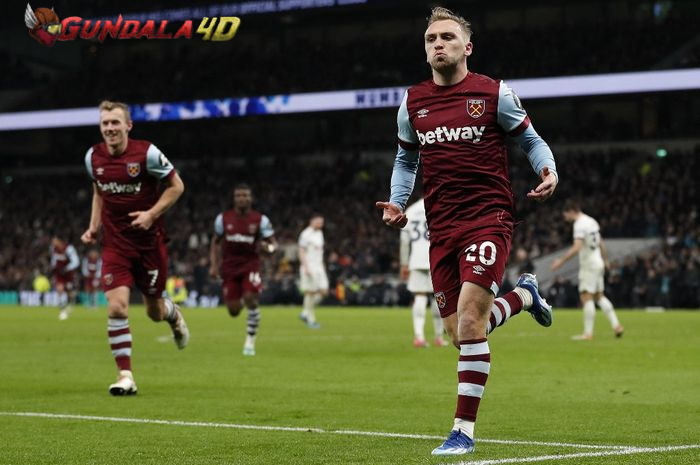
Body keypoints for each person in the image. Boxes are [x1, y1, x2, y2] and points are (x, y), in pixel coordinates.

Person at [375, 7, 558, 456]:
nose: (438, 44)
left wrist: (547, 168)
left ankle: (463, 431)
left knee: (473, 322)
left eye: (447, 38)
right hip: (442, 227)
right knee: (460, 335)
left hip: (488, 217)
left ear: (467, 47)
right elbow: (405, 160)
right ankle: (524, 297)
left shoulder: (493, 93)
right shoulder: (412, 102)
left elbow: (529, 139)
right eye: (431, 39)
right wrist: (399, 201)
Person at [81, 100, 189, 396]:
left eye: (116, 122)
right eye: (105, 123)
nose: (110, 128)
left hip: (149, 244)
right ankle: (125, 375)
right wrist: (93, 227)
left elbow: (177, 186)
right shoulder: (93, 157)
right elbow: (98, 191)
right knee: (116, 306)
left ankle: (173, 314)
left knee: (153, 312)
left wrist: (151, 214)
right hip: (115, 244)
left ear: (128, 125)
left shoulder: (147, 153)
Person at [210, 184, 277, 356]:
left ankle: (250, 340)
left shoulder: (260, 220)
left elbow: (273, 245)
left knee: (250, 299)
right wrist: (213, 265)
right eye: (238, 195)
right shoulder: (223, 219)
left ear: (250, 198)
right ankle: (242, 299)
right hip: (229, 267)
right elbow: (215, 242)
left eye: (245, 195)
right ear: (234, 198)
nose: (242, 198)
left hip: (250, 265)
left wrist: (266, 248)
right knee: (233, 311)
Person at [551, 200, 624, 340]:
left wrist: (561, 261)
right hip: (598, 261)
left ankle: (588, 333)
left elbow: (577, 247)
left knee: (586, 296)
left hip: (589, 264)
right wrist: (606, 260)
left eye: (565, 214)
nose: (565, 217)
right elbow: (601, 242)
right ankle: (616, 325)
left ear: (571, 211)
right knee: (599, 296)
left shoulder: (579, 225)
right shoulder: (591, 221)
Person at [400, 198, 447, 347]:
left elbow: (404, 241)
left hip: (417, 259)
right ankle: (439, 337)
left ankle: (419, 337)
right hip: (437, 258)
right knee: (437, 297)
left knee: (419, 296)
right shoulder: (440, 207)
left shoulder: (411, 211)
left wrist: (404, 264)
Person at [298, 214, 328, 329]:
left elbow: (319, 252)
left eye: (322, 223)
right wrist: (305, 267)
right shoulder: (306, 234)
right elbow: (301, 251)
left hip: (319, 267)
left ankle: (305, 312)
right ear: (312, 221)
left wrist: (322, 266)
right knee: (311, 293)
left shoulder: (320, 233)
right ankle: (311, 319)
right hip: (309, 266)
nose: (321, 225)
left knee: (324, 291)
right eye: (319, 222)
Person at [50, 236, 80, 320]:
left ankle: (71, 302)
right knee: (59, 289)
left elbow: (76, 261)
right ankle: (62, 310)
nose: (53, 243)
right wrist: (53, 267)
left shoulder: (69, 249)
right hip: (59, 272)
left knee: (69, 290)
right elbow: (54, 258)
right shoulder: (53, 248)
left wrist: (66, 268)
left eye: (55, 241)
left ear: (60, 241)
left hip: (68, 273)